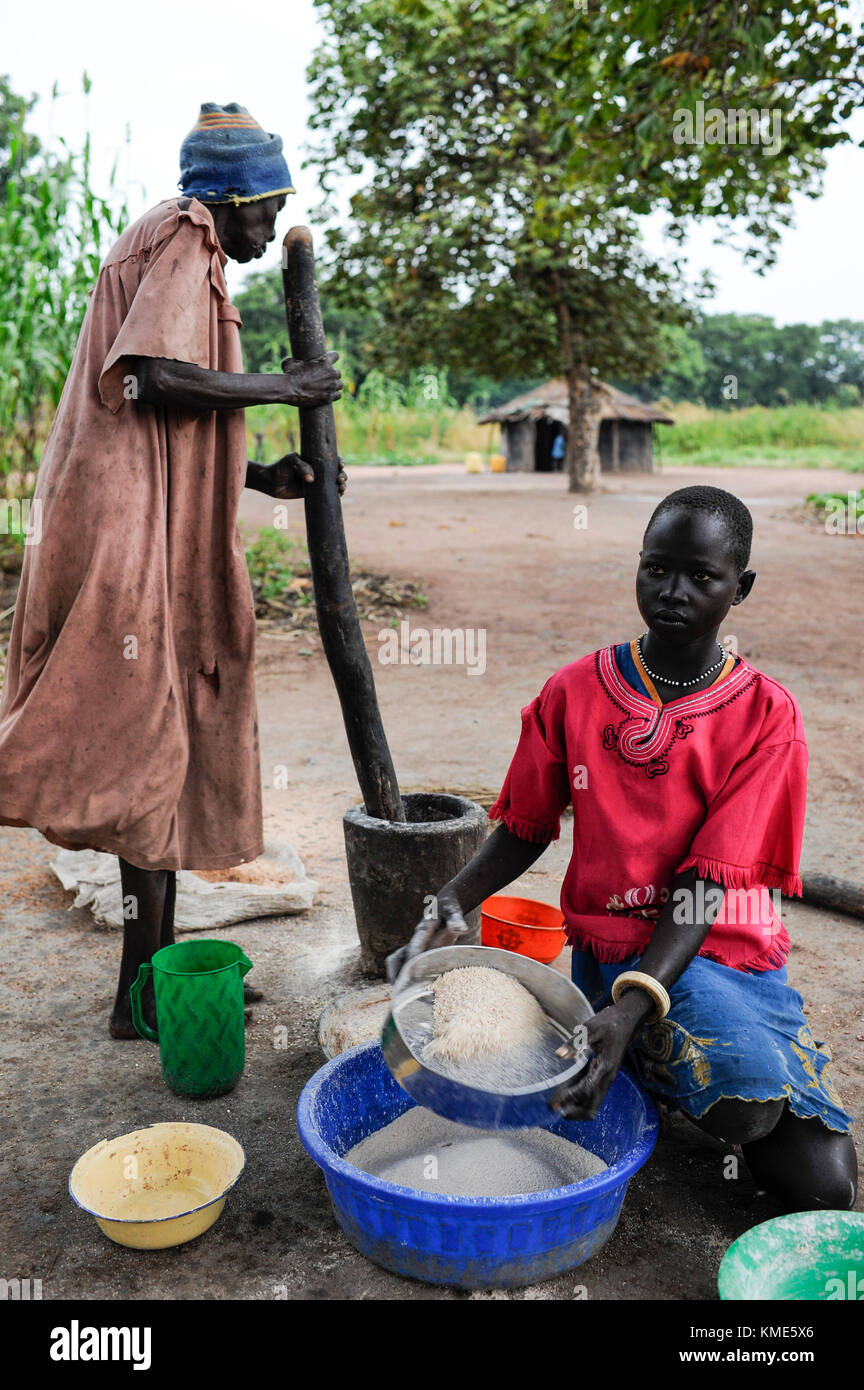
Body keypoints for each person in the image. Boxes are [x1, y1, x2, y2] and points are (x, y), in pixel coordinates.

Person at [388, 485, 857, 1212]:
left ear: (743, 589)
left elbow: (709, 881)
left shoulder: (767, 715)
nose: (673, 592)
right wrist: (448, 903)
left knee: (823, 1184)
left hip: (720, 948)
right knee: (742, 1110)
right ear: (637, 567)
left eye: (703, 577)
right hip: (618, 946)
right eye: (656, 568)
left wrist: (634, 1006)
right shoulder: (575, 691)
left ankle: (643, 1041)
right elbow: (523, 827)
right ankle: (644, 1046)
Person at [0, 103, 344, 1037]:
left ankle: (143, 988)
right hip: (121, 535)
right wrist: (288, 387)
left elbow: (163, 433)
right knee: (145, 743)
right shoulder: (187, 237)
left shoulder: (176, 245)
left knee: (157, 744)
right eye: (264, 207)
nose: (271, 226)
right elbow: (151, 376)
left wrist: (262, 474)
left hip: (126, 511)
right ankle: (139, 993)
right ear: (225, 200)